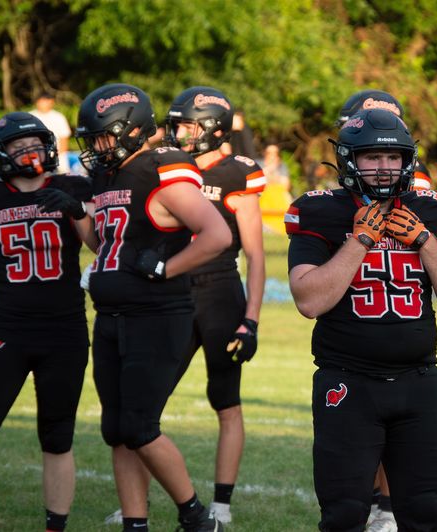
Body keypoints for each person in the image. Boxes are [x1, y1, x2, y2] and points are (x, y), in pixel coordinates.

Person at [286, 108, 437, 531]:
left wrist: (423, 240)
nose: (385, 167)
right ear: (349, 160)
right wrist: (360, 241)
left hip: (418, 383)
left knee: (424, 512)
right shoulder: (320, 211)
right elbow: (309, 300)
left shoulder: (428, 211)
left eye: (394, 157)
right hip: (348, 384)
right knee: (344, 514)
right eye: (373, 157)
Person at [75, 83, 231, 532]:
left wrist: (166, 268)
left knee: (140, 426)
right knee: (117, 430)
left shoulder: (160, 166)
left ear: (130, 131)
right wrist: (77, 214)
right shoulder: (110, 176)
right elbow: (109, 247)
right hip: (111, 317)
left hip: (155, 315)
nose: (96, 148)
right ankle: (135, 523)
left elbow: (217, 235)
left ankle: (196, 517)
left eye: (102, 137)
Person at [165, 86, 266, 524]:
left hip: (219, 292)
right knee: (144, 401)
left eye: (188, 125)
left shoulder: (236, 174)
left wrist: (251, 320)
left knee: (225, 400)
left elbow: (256, 256)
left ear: (212, 128)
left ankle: (221, 504)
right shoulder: (167, 165)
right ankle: (132, 504)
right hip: (169, 292)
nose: (179, 133)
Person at [0, 112, 94, 532]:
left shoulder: (73, 187)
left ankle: (55, 527)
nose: (29, 152)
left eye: (35, 143)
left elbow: (101, 246)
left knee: (57, 434)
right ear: (1, 155)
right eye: (19, 147)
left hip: (64, 330)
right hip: (7, 328)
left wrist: (78, 211)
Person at [30, 92, 72, 173]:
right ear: (37, 102)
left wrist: (57, 155)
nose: (45, 104)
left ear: (52, 102)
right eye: (42, 101)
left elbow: (64, 138)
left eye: (47, 101)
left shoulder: (58, 117)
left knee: (63, 174)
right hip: (35, 155)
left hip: (58, 154)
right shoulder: (30, 117)